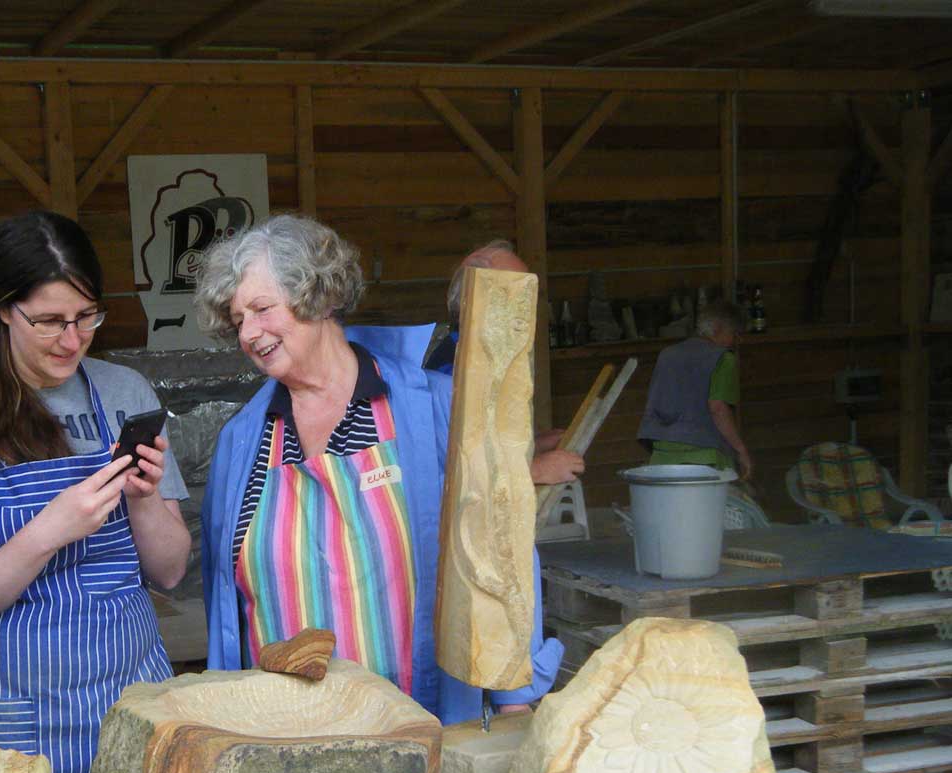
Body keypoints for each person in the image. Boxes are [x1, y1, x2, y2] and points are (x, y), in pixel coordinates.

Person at [196, 214, 560, 724]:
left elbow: (499, 555)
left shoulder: (434, 409)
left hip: (420, 728)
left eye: (261, 309)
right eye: (238, 320)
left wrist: (513, 700)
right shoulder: (242, 442)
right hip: (280, 743)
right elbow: (223, 602)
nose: (250, 333)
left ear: (317, 297)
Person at [0, 211, 189, 773]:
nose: (72, 339)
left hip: (130, 701)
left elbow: (169, 572)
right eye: (50, 321)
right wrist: (49, 533)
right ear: (3, 309)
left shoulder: (125, 393)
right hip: (4, 719)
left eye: (87, 317)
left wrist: (144, 501)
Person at [428, 239, 586, 487]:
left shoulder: (487, 356)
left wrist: (533, 443)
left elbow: (484, 439)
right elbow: (458, 465)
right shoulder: (455, 367)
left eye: (528, 291)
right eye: (513, 290)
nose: (526, 303)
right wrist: (536, 470)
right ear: (475, 297)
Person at [638, 301, 752, 480]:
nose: (738, 340)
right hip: (704, 456)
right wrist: (741, 449)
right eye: (735, 333)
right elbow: (717, 408)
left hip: (662, 453)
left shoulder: (667, 354)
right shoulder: (723, 358)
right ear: (717, 329)